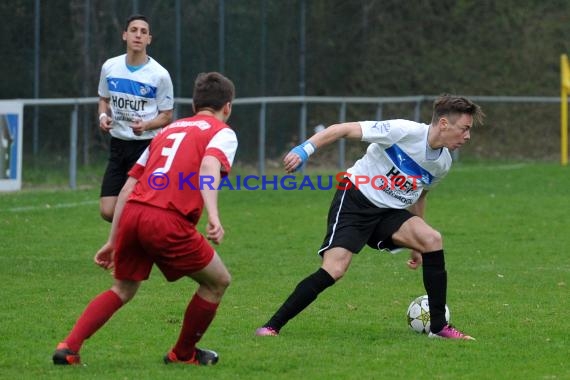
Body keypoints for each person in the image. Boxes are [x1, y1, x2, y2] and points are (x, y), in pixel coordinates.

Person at [255, 95, 484, 340]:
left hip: (389, 213)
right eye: (465, 129)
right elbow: (342, 129)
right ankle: (271, 326)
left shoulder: (443, 163)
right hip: (355, 200)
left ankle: (439, 328)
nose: (467, 136)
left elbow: (419, 196)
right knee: (335, 269)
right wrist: (305, 149)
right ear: (443, 123)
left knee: (432, 239)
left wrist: (418, 247)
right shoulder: (403, 131)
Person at [53, 72, 238, 366]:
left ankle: (69, 347)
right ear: (227, 107)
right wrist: (214, 215)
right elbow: (209, 165)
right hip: (166, 220)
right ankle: (183, 354)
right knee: (218, 282)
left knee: (123, 288)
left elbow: (127, 187)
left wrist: (113, 239)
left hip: (134, 214)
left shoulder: (167, 131)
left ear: (193, 103)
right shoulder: (221, 132)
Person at [98, 14, 174, 222]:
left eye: (143, 32)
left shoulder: (159, 75)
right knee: (108, 210)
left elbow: (167, 115)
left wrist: (147, 125)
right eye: (133, 30)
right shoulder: (110, 67)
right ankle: (134, 242)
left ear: (149, 39)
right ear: (125, 35)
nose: (138, 35)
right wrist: (103, 116)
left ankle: (128, 249)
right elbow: (103, 99)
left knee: (136, 205)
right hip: (118, 145)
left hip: (146, 147)